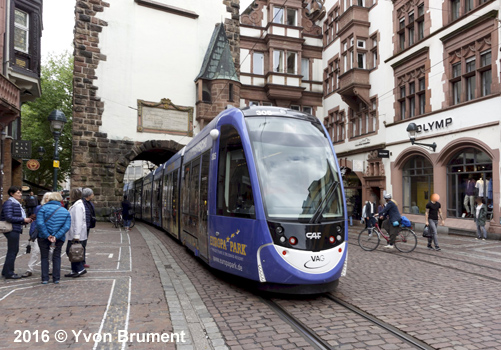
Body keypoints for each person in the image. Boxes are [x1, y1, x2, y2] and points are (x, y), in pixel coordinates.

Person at [35, 192, 71, 284]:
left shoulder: (42, 209)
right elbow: (66, 226)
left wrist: (47, 235)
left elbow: (39, 223)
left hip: (43, 237)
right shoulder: (65, 211)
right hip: (59, 238)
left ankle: (45, 278)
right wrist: (56, 236)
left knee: (44, 257)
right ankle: (56, 278)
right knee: (57, 257)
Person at [1, 186, 33, 279]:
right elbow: (8, 217)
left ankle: (6, 271)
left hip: (15, 228)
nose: (20, 194)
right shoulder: (9, 203)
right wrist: (23, 219)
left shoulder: (15, 203)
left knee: (13, 250)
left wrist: (25, 221)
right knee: (13, 250)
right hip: (11, 229)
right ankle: (9, 273)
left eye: (20, 192)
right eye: (18, 193)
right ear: (12, 194)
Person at [22, 192, 52, 277]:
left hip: (50, 233)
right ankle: (29, 269)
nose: (48, 200)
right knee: (36, 251)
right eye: (46, 198)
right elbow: (34, 221)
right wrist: (32, 233)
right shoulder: (39, 208)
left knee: (50, 252)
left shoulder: (55, 208)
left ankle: (49, 268)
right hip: (40, 233)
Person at [65, 188, 88, 278]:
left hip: (76, 234)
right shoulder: (76, 205)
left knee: (72, 251)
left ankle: (80, 268)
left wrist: (76, 235)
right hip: (74, 233)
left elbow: (78, 221)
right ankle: (74, 269)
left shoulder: (78, 206)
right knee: (72, 251)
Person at [82, 188, 96, 268]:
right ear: (88, 195)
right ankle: (80, 261)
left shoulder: (89, 203)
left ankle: (82, 261)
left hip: (87, 226)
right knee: (82, 245)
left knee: (84, 244)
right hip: (84, 227)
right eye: (92, 194)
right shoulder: (83, 204)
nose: (93, 195)